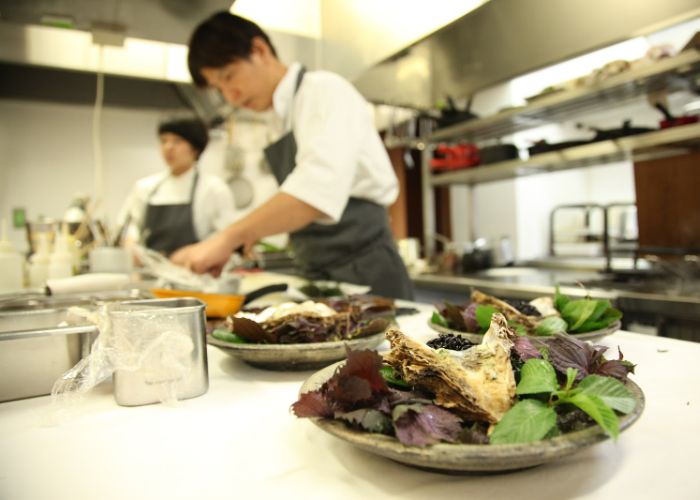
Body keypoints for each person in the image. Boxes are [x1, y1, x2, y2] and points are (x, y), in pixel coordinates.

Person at [171, 11, 413, 300]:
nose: (230, 96)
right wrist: (244, 239)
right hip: (316, 273)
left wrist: (230, 237)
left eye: (229, 77)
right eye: (219, 89)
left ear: (259, 50)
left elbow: (315, 191)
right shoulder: (277, 122)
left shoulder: (323, 90)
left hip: (366, 271)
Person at [117, 117, 236, 256]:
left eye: (177, 141)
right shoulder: (145, 187)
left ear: (195, 148)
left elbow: (226, 234)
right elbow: (129, 225)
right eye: (164, 141)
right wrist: (131, 245)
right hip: (150, 270)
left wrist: (196, 253)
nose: (168, 147)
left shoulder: (213, 189)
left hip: (197, 271)